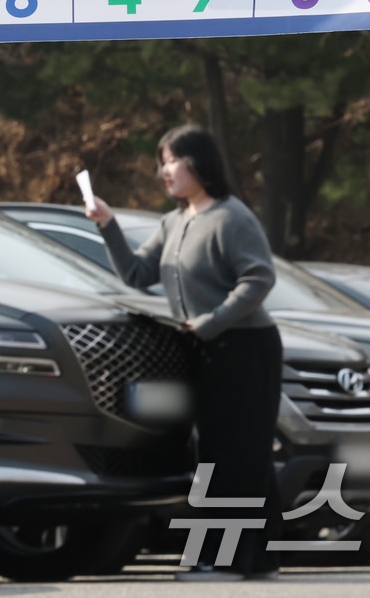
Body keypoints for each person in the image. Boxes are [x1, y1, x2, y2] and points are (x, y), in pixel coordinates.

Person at [84, 123, 282, 583]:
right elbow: (137, 273)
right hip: (205, 351)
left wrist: (212, 322)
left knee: (233, 456)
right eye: (162, 162)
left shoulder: (232, 217)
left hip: (243, 348)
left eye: (173, 160)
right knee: (230, 453)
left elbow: (259, 278)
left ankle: (225, 561)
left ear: (199, 163)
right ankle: (259, 558)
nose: (165, 171)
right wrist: (108, 225)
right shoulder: (173, 222)